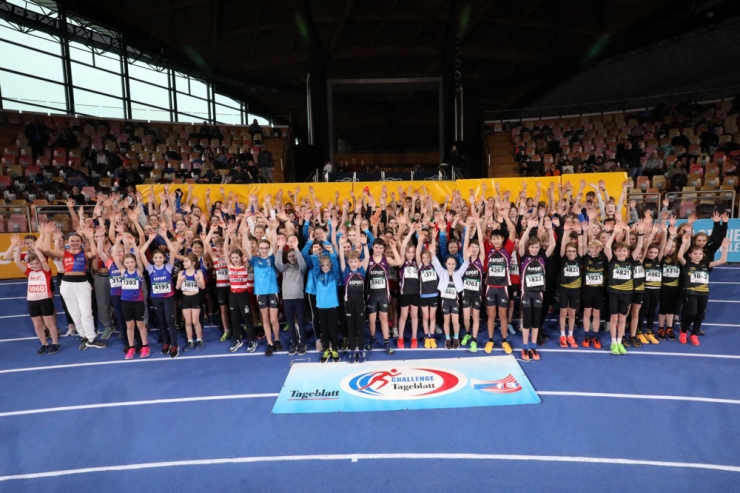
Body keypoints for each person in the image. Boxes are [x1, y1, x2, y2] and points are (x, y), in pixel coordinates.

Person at [40, 225, 105, 350]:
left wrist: (91, 238)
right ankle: (84, 336)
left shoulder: (85, 254)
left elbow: (96, 253)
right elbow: (46, 250)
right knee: (74, 313)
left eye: (77, 241)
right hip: (67, 285)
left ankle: (91, 338)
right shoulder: (63, 254)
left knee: (86, 313)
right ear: (67, 243)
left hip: (82, 284)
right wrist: (48, 234)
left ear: (81, 243)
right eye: (72, 241)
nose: (75, 243)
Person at [11, 234, 59, 355]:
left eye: (36, 263)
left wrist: (35, 247)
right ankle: (44, 343)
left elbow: (43, 259)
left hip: (45, 299)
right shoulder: (29, 272)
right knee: (37, 324)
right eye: (32, 264)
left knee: (49, 323)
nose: (34, 266)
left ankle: (55, 343)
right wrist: (19, 248)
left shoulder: (46, 272)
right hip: (32, 301)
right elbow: (17, 261)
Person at [676, 235, 729, 346]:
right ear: (690, 255)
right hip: (690, 292)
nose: (698, 256)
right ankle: (684, 331)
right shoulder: (687, 264)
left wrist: (724, 248)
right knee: (691, 313)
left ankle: (694, 334)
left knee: (700, 314)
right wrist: (684, 243)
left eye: (700, 254)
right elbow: (680, 256)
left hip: (703, 293)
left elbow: (722, 260)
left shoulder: (705, 265)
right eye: (695, 254)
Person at [518, 217, 556, 361]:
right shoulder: (524, 257)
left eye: (536, 247)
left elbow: (553, 245)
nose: (534, 249)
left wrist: (550, 229)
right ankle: (525, 347)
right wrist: (528, 228)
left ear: (539, 248)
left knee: (535, 322)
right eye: (532, 247)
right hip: (527, 294)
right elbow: (521, 244)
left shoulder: (542, 257)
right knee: (527, 322)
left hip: (539, 294)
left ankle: (533, 347)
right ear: (529, 248)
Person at [243, 217, 281, 356]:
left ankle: (277, 340)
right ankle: (270, 343)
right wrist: (244, 234)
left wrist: (273, 228)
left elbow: (276, 244)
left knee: (273, 319)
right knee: (264, 320)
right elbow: (246, 248)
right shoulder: (255, 260)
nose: (264, 250)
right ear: (258, 249)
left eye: (266, 248)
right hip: (260, 292)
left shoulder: (272, 258)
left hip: (273, 291)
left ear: (268, 249)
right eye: (262, 248)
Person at [140, 226, 180, 358]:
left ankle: (174, 344)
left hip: (168, 298)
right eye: (155, 258)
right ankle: (166, 342)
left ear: (164, 258)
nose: (157, 259)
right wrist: (150, 239)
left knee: (169, 320)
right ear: (152, 259)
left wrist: (164, 237)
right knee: (161, 321)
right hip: (156, 298)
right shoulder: (150, 268)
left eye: (160, 258)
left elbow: (173, 251)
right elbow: (141, 253)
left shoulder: (168, 266)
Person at [113, 235, 150, 360]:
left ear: (135, 263)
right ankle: (131, 347)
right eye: (127, 262)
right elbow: (114, 257)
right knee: (129, 326)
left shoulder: (138, 271)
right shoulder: (123, 271)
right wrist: (117, 242)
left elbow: (139, 257)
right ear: (124, 263)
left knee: (140, 325)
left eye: (131, 262)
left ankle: (145, 345)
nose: (129, 264)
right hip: (126, 302)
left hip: (138, 302)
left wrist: (133, 244)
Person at [430, 236, 468, 349]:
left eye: (453, 264)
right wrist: (432, 253)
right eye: (449, 263)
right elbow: (435, 262)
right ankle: (447, 338)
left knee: (455, 321)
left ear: (456, 265)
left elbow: (465, 264)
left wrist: (467, 256)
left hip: (455, 301)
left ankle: (456, 337)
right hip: (445, 301)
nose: (451, 266)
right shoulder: (442, 272)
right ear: (445, 264)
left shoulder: (458, 274)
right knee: (446, 321)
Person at [339, 234, 370, 362]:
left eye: (355, 261)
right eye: (350, 261)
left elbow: (367, 257)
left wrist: (365, 245)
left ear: (359, 262)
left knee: (360, 328)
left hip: (360, 304)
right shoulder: (346, 271)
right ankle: (352, 350)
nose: (352, 263)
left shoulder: (362, 271)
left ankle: (361, 350)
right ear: (348, 262)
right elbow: (341, 257)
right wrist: (341, 245)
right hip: (349, 304)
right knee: (351, 329)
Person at [275, 234, 308, 356]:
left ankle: (302, 343)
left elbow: (303, 265)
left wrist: (296, 249)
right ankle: (294, 343)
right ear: (287, 258)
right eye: (290, 256)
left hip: (298, 298)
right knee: (290, 323)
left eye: (294, 256)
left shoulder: (301, 268)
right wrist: (280, 248)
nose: (292, 258)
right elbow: (277, 263)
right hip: (287, 299)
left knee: (300, 322)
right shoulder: (285, 268)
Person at [558, 220, 586, 348]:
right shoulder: (563, 258)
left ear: (576, 252)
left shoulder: (579, 258)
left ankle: (570, 335)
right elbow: (563, 246)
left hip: (575, 290)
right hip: (564, 289)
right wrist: (565, 232)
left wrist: (580, 233)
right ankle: (562, 335)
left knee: (572, 313)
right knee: (563, 313)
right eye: (568, 251)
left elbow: (582, 247)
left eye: (572, 251)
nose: (570, 253)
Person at [177, 253, 206, 352]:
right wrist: (180, 281)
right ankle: (190, 340)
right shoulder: (181, 273)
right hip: (185, 298)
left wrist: (197, 280)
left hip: (195, 298)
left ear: (193, 263)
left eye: (186, 261)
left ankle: (199, 339)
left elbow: (202, 287)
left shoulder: (198, 273)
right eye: (184, 261)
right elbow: (177, 287)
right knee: (188, 322)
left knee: (195, 321)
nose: (184, 263)